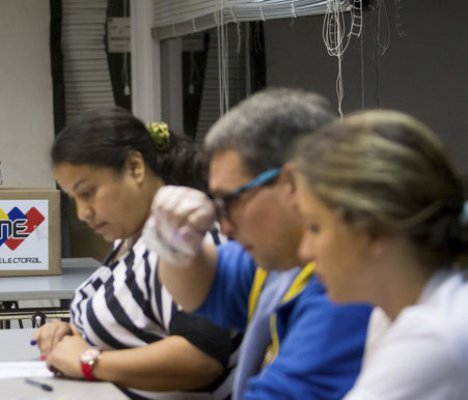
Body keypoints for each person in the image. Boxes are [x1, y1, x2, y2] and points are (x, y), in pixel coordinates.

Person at [144, 88, 372, 399]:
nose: (224, 226)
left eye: (231, 200)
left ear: (291, 182)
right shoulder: (282, 258)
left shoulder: (348, 288)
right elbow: (200, 291)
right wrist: (174, 245)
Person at [34, 107, 238, 400]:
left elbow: (202, 357)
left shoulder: (184, 236)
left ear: (134, 167)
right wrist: (72, 332)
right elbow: (137, 323)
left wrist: (90, 362)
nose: (82, 213)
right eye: (74, 198)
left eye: (88, 192)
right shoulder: (131, 237)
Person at [291, 110, 468, 399]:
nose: (304, 251)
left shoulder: (431, 337)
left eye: (314, 227)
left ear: (374, 229)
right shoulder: (388, 316)